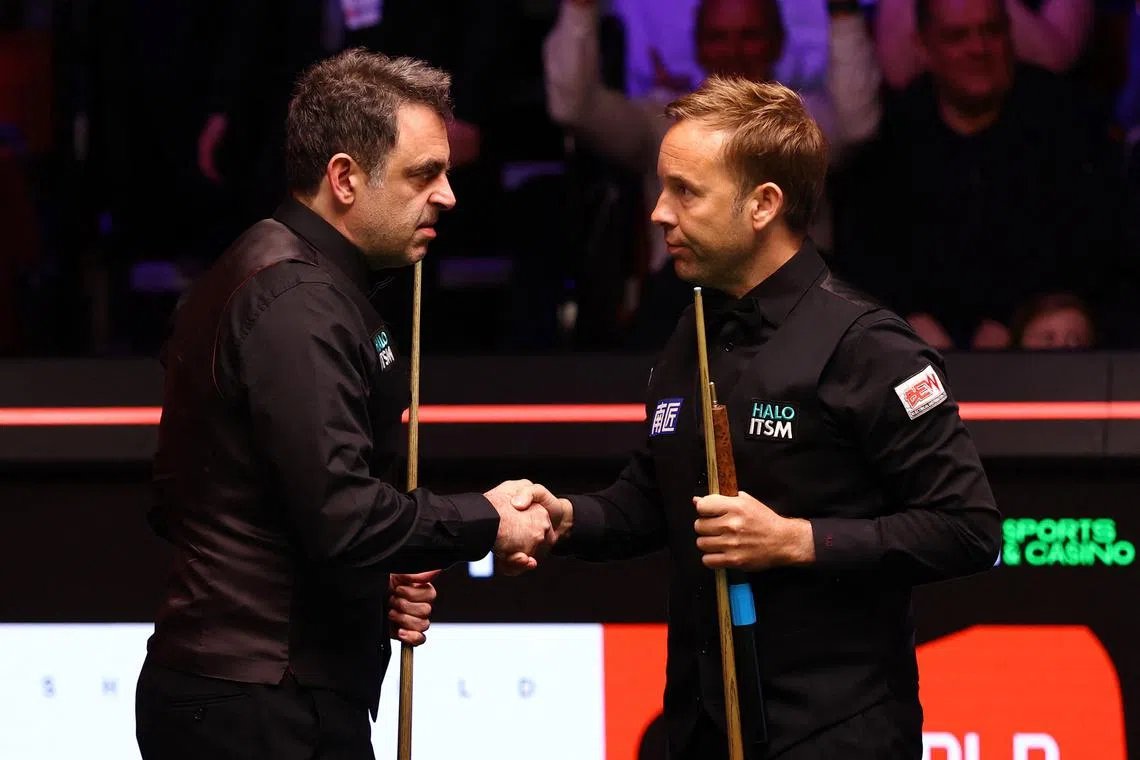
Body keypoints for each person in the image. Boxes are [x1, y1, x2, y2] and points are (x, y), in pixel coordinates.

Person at [512, 76, 1002, 759]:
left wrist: (796, 539)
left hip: (833, 734)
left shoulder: (868, 345)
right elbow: (650, 501)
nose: (659, 212)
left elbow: (968, 529)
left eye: (686, 190)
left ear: (764, 204)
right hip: (700, 727)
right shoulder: (694, 328)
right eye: (662, 186)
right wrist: (564, 516)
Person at [134, 49, 558, 760]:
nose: (449, 195)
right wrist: (487, 519)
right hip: (261, 704)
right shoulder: (297, 301)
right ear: (344, 178)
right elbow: (341, 515)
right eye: (425, 174)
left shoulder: (278, 272)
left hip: (244, 688)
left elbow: (213, 500)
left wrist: (369, 576)